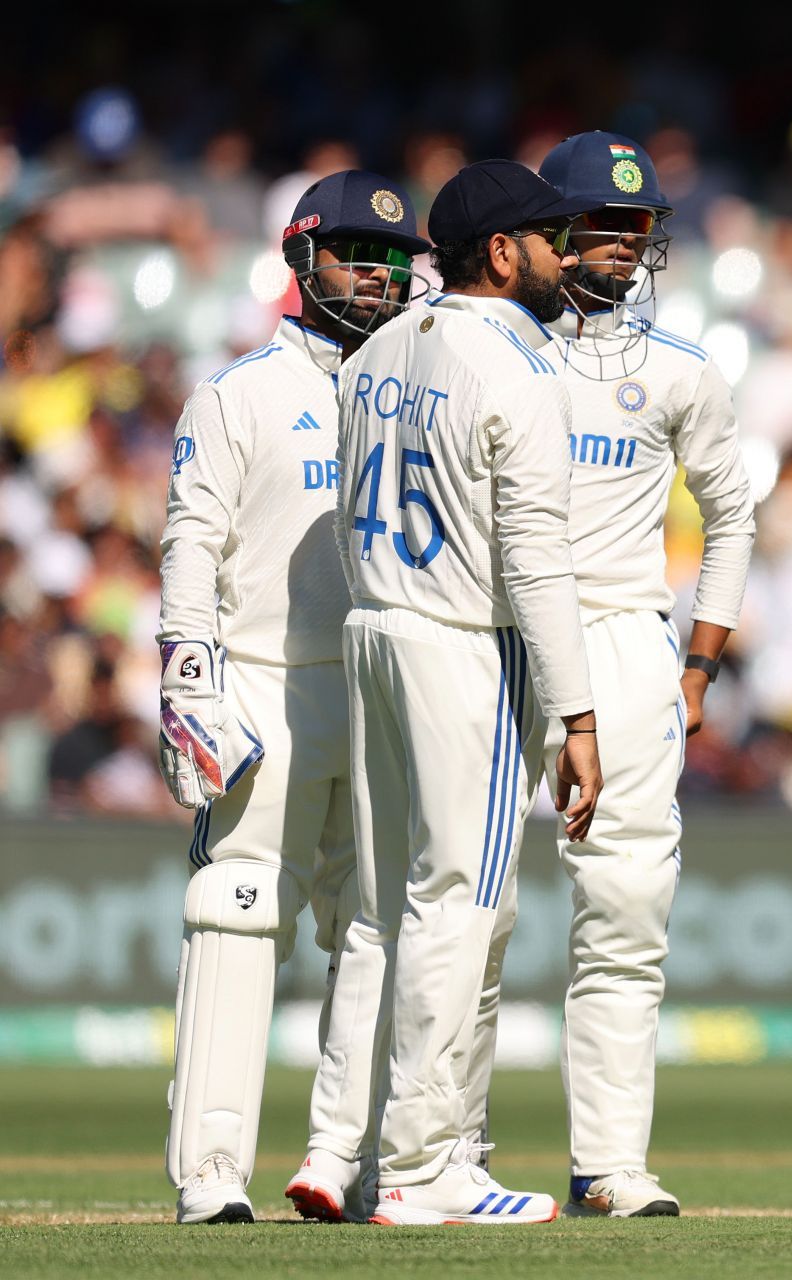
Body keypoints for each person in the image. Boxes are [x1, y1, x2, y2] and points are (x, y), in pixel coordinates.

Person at [329, 158, 603, 1226]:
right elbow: (535, 560)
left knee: (399, 910)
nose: (565, 256)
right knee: (460, 906)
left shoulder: (379, 345)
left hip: (372, 631)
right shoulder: (520, 372)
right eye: (547, 238)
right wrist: (578, 714)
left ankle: (374, 1156)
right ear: (501, 252)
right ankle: (421, 1163)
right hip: (459, 643)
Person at [156, 170, 426, 1224]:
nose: (379, 273)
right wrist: (191, 678)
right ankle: (211, 1172)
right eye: (357, 251)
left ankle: (345, 1159)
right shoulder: (240, 393)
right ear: (301, 258)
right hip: (265, 680)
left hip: (385, 681)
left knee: (378, 926)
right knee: (235, 911)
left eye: (397, 257)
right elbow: (192, 544)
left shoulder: (417, 388)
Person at [509, 129, 757, 1217]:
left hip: (622, 638)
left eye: (636, 227)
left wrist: (700, 661)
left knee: (624, 913)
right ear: (543, 235)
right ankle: (427, 1158)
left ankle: (608, 1162)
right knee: (448, 910)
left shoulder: (680, 370)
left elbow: (734, 515)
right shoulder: (487, 352)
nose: (619, 246)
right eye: (598, 226)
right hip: (490, 637)